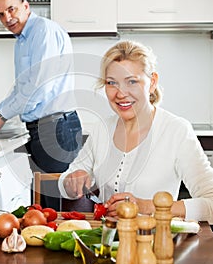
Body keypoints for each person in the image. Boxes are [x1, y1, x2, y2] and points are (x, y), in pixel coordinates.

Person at [58, 40, 213, 224]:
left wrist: (144, 206)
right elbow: (65, 182)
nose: (121, 93)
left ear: (152, 82)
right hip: (107, 243)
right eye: (111, 83)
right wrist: (71, 181)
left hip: (155, 245)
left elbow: (210, 202)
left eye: (132, 81)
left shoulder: (176, 130)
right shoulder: (102, 129)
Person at [0, 0, 82, 210]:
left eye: (11, 9)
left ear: (26, 6)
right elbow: (21, 89)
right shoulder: (22, 40)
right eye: (0, 14)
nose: (7, 18)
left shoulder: (43, 32)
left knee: (55, 204)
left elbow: (38, 88)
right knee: (43, 205)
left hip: (56, 128)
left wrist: (1, 117)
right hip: (43, 129)